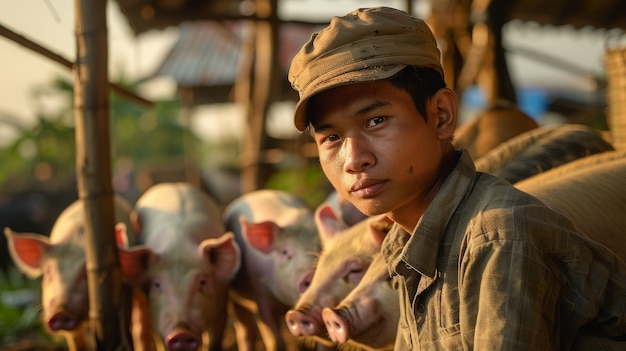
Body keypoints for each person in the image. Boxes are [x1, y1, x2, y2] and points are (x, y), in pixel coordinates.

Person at [288, 6, 626, 350]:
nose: (354, 159)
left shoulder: (498, 238)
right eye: (331, 138)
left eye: (376, 121)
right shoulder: (401, 244)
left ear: (441, 116)